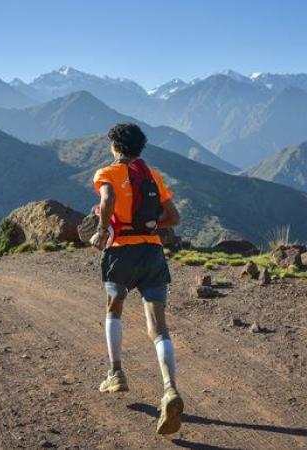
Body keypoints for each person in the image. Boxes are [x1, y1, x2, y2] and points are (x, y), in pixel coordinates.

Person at [90, 123, 184, 435]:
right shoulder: (153, 176)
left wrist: (102, 231)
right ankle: (170, 389)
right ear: (140, 148)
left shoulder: (107, 173)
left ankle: (116, 373)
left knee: (113, 308)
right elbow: (174, 218)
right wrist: (152, 222)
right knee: (158, 327)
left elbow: (107, 200)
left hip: (121, 252)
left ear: (115, 147)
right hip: (152, 252)